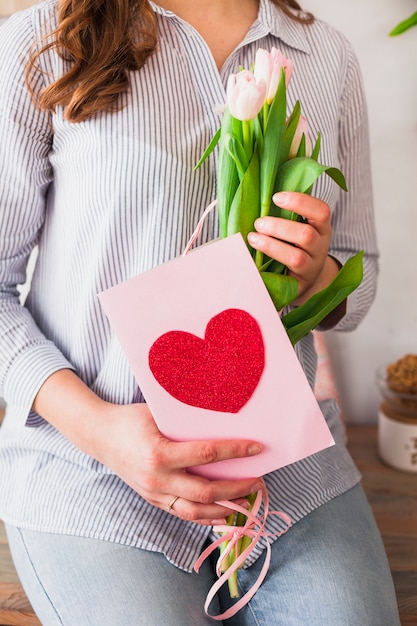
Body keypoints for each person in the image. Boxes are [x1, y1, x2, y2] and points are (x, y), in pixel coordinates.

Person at [0, 1, 401, 624]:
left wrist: (314, 274)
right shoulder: (41, 42)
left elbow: (359, 277)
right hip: (91, 471)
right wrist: (104, 433)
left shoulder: (325, 55)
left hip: (284, 466)